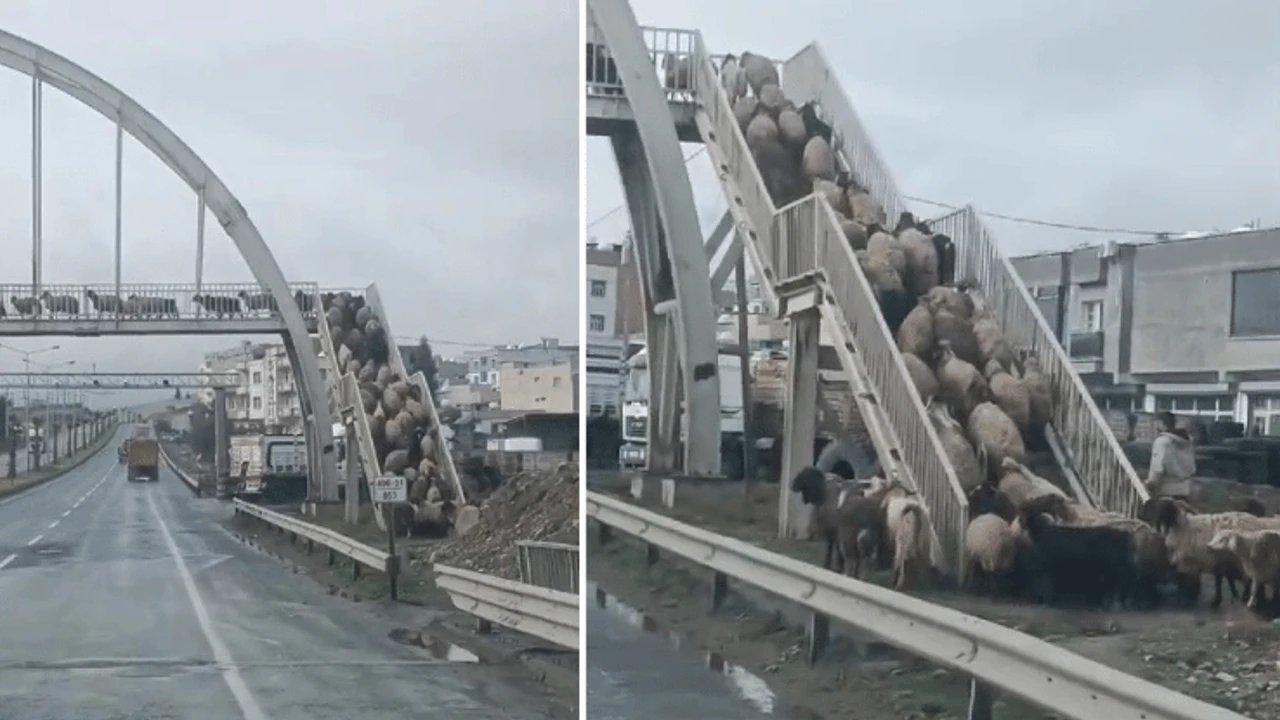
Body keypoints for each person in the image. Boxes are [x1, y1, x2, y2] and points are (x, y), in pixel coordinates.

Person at [1145, 411, 1195, 499]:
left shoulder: (1161, 442)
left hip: (1166, 493)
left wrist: (1148, 485)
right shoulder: (1188, 442)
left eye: (1152, 425)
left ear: (1160, 423)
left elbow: (1157, 469)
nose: (1151, 429)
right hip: (1185, 491)